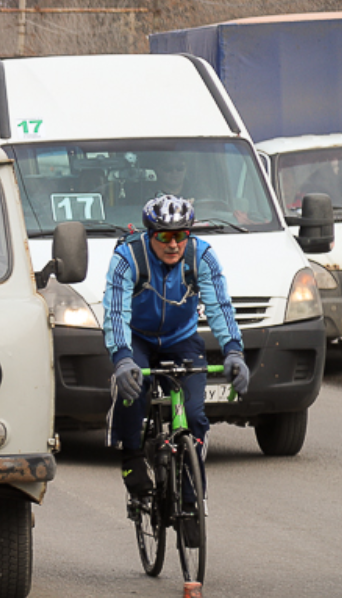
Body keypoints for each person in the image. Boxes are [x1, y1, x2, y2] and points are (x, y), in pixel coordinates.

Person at [106, 195, 250, 548]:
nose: (173, 244)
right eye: (164, 236)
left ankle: (191, 500)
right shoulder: (128, 257)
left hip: (181, 339)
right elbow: (115, 312)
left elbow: (220, 305)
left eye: (180, 235)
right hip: (137, 339)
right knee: (133, 392)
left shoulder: (201, 256)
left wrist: (234, 351)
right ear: (149, 233)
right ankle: (131, 456)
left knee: (196, 417)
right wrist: (123, 359)